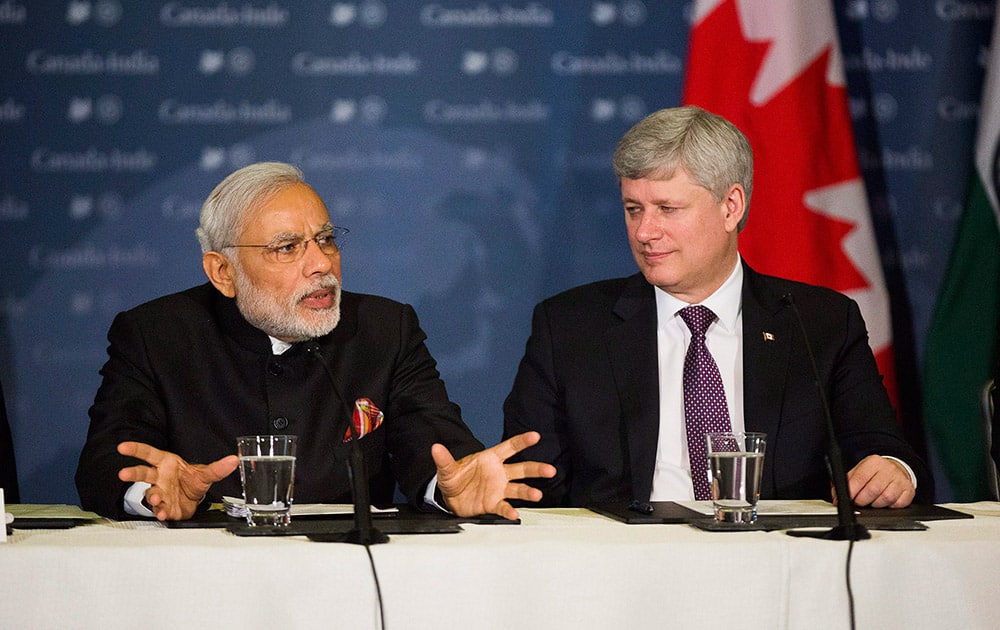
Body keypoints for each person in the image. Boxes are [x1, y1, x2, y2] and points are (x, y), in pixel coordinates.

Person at [503, 106, 933, 508]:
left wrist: (892, 472)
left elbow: (882, 449)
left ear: (731, 207)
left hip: (779, 564)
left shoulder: (819, 322)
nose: (645, 231)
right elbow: (531, 485)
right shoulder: (569, 327)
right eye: (634, 209)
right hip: (627, 569)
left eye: (668, 209)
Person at [76, 161, 554, 521]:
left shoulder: (385, 328)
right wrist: (150, 494)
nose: (321, 263)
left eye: (325, 239)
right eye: (287, 248)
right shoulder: (156, 334)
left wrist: (448, 487)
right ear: (223, 272)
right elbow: (105, 461)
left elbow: (431, 437)